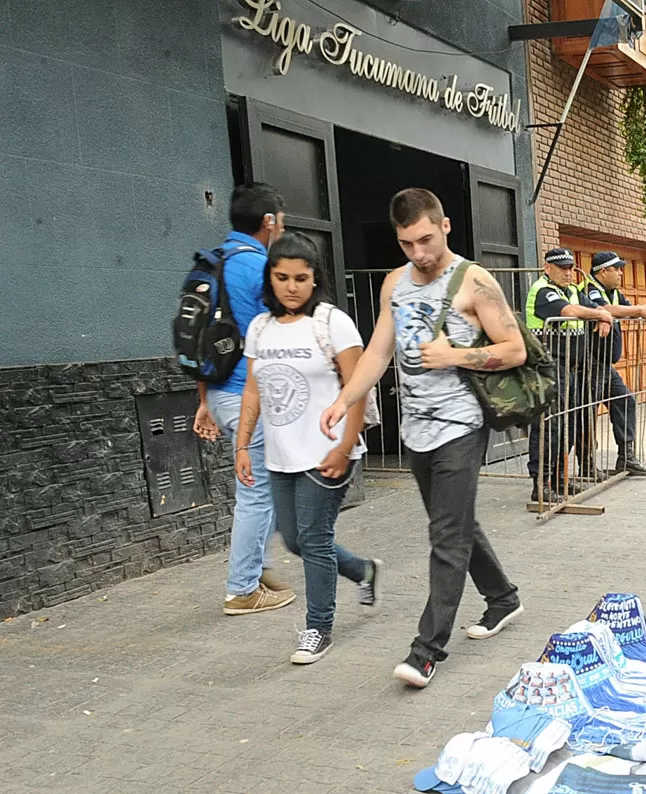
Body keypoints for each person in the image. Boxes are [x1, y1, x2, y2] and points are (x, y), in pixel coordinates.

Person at [320, 188, 528, 689]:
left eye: (426, 240)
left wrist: (456, 355)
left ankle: (426, 651)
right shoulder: (394, 283)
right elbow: (376, 354)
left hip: (462, 424)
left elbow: (515, 348)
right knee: (452, 523)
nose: (419, 253)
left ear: (446, 227)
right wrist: (344, 399)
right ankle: (503, 598)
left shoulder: (474, 280)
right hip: (416, 429)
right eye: (407, 243)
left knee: (445, 537)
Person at [234, 233, 380, 665]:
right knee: (294, 539)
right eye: (282, 277)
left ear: (316, 279)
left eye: (302, 278)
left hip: (328, 450)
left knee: (314, 539)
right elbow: (253, 391)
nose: (292, 286)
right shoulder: (260, 328)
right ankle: (362, 570)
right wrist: (242, 445)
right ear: (270, 279)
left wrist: (346, 445)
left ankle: (318, 628)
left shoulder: (333, 322)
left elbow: (359, 389)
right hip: (280, 455)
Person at [191, 182, 296, 616]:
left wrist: (203, 402)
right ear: (269, 222)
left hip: (218, 392)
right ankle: (242, 589)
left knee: (266, 486)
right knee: (256, 492)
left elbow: (201, 340)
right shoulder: (257, 267)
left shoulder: (212, 263)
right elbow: (274, 338)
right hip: (246, 397)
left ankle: (259, 567)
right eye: (281, 220)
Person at [525, 248, 615, 499]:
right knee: (549, 426)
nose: (568, 272)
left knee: (569, 425)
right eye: (562, 268)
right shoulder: (543, 291)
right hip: (548, 368)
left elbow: (596, 306)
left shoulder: (573, 290)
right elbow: (568, 312)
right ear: (547, 268)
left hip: (573, 370)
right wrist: (600, 314)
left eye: (571, 268)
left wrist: (603, 315)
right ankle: (541, 485)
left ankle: (558, 478)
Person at [582, 251, 646, 473]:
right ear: (603, 271)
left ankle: (626, 457)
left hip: (604, 364)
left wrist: (639, 311)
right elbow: (607, 309)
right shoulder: (589, 289)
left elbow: (624, 309)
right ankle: (585, 466)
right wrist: (617, 313)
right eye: (617, 269)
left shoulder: (613, 292)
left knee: (625, 401)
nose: (621, 273)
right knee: (586, 413)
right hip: (589, 363)